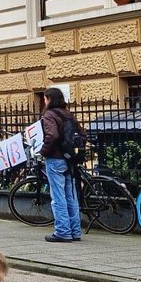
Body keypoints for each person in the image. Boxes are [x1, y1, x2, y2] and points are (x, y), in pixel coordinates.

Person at [40, 86, 83, 243]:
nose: (44, 101)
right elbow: (82, 134)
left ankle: (63, 232)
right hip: (70, 159)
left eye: (45, 98)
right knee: (71, 196)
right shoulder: (68, 115)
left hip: (55, 159)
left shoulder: (49, 115)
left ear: (49, 99)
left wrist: (44, 151)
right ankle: (75, 231)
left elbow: (52, 135)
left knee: (58, 197)